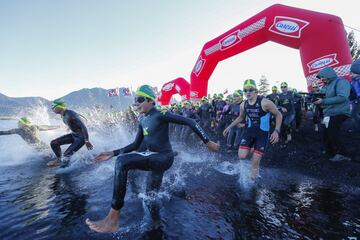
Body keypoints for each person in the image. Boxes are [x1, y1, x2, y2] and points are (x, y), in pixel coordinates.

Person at [85, 85, 219, 233]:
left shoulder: (160, 113)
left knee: (122, 163)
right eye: (135, 100)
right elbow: (136, 144)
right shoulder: (142, 120)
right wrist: (113, 152)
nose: (136, 103)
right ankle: (157, 226)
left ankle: (113, 218)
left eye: (140, 99)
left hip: (163, 157)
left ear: (150, 100)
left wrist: (208, 142)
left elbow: (191, 122)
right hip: (155, 159)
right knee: (150, 197)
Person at [223, 79, 282, 180]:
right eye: (245, 90)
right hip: (250, 132)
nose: (248, 92)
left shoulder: (265, 103)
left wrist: (276, 131)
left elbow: (278, 114)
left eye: (250, 90)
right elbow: (241, 117)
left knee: (255, 162)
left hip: (262, 134)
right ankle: (253, 148)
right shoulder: (243, 104)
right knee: (241, 156)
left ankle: (252, 183)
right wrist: (229, 127)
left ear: (256, 91)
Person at [313, 67, 351, 161]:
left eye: (323, 77)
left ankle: (343, 154)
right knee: (326, 134)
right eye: (320, 78)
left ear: (329, 74)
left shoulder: (341, 82)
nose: (322, 79)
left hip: (340, 112)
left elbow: (342, 97)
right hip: (329, 113)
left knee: (333, 132)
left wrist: (323, 101)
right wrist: (314, 98)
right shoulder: (325, 85)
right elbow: (321, 95)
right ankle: (330, 151)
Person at [47, 99, 93, 167]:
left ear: (60, 106)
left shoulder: (71, 114)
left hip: (81, 138)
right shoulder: (63, 114)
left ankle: (64, 169)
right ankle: (59, 160)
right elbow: (72, 124)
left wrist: (86, 140)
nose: (52, 109)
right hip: (74, 135)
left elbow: (83, 126)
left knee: (66, 155)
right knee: (54, 143)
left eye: (53, 106)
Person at [350, 59, 360, 131]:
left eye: (353, 73)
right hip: (356, 100)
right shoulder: (353, 82)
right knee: (353, 114)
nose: (351, 75)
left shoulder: (358, 81)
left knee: (355, 114)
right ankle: (357, 128)